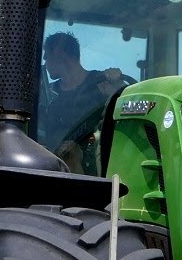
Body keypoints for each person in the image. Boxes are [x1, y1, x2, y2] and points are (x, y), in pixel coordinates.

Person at [40, 32, 125, 172]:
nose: (45, 62)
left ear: (58, 53)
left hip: (95, 168)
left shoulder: (101, 83)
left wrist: (117, 83)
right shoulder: (48, 94)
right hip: (53, 167)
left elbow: (123, 106)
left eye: (46, 57)